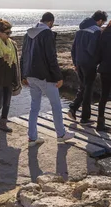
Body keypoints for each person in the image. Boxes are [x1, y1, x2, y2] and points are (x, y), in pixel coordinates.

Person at [21, 12, 75, 146]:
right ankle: (61, 134)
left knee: (34, 107)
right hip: (45, 76)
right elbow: (51, 57)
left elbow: (23, 55)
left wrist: (23, 74)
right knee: (56, 105)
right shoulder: (47, 34)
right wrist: (58, 76)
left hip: (30, 75)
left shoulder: (28, 34)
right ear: (51, 22)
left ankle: (32, 138)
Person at [68, 10, 108, 124]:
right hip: (89, 63)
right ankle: (85, 117)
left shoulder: (80, 30)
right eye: (103, 22)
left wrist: (75, 63)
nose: (102, 25)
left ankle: (73, 108)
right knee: (88, 90)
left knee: (83, 87)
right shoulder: (96, 31)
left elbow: (73, 48)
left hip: (79, 62)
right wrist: (99, 60)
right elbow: (92, 50)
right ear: (100, 20)